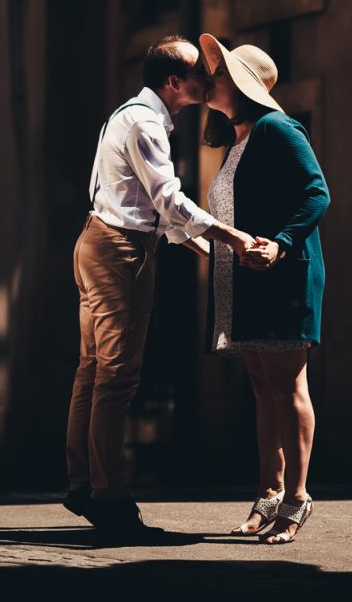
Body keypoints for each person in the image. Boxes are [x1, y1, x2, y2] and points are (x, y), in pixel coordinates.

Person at [64, 34, 255, 538]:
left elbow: (164, 219)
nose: (209, 81)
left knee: (94, 369)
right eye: (199, 74)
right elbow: (170, 203)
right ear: (175, 82)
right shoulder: (146, 123)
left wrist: (210, 253)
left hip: (106, 241)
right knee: (118, 376)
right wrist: (232, 236)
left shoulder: (135, 115)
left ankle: (84, 484)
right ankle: (111, 500)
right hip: (119, 249)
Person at [199, 33, 330, 545]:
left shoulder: (279, 128)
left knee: (289, 386)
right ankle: (268, 495)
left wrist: (279, 243)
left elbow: (317, 192)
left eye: (219, 75)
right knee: (261, 388)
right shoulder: (240, 139)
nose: (211, 81)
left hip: (281, 276)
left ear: (242, 85)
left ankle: (297, 498)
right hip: (244, 281)